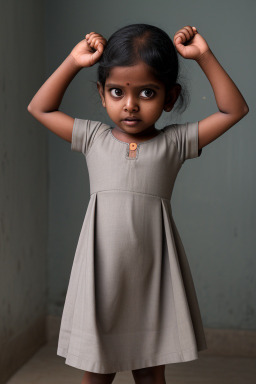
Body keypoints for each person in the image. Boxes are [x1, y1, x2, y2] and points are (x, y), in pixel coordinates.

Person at [27, 23, 249, 384]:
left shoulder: (174, 143)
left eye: (147, 92)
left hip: (153, 279)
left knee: (150, 375)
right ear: (102, 94)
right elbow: (40, 107)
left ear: (170, 97)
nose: (130, 105)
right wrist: (73, 61)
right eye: (116, 92)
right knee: (97, 374)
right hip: (102, 279)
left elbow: (234, 109)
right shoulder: (94, 138)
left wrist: (203, 56)